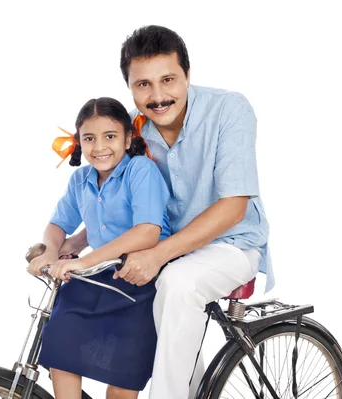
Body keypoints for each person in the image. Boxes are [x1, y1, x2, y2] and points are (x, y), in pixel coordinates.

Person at [59, 25, 273, 399]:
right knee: (143, 302)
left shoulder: (229, 109)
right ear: (129, 86)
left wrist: (157, 254)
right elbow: (112, 200)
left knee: (176, 283)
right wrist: (75, 243)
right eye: (143, 85)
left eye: (168, 80)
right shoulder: (126, 129)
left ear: (187, 76)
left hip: (232, 244)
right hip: (166, 247)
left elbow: (234, 206)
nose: (157, 96)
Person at [27, 96, 171, 399]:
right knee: (59, 347)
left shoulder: (140, 170)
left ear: (128, 137)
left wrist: (82, 260)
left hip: (139, 279)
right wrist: (51, 251)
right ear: (79, 142)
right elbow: (57, 225)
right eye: (89, 138)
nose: (99, 146)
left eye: (110, 136)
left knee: (121, 381)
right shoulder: (81, 179)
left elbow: (146, 233)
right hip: (97, 276)